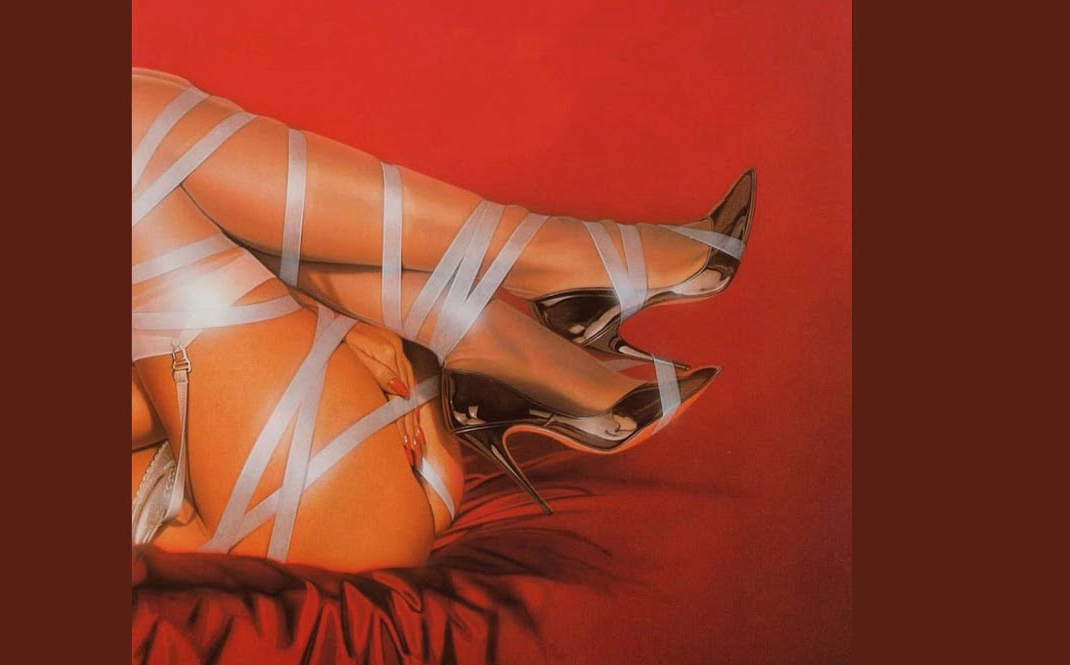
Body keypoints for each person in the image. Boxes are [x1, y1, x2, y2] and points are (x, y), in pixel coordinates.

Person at [130, 68, 755, 572]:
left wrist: (339, 325)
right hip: (300, 507)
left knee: (140, 102)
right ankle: (540, 282)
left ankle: (494, 323)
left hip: (334, 450)